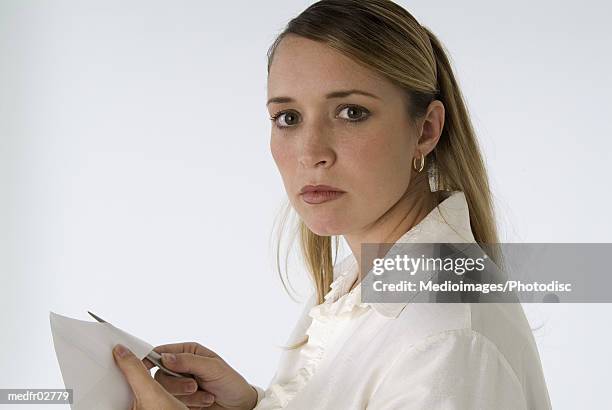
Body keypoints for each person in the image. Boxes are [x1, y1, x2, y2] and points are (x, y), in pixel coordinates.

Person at [111, 0, 552, 408]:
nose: (310, 152)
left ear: (426, 130)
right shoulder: (361, 281)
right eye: (288, 118)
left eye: (351, 113)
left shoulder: (444, 334)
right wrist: (251, 405)